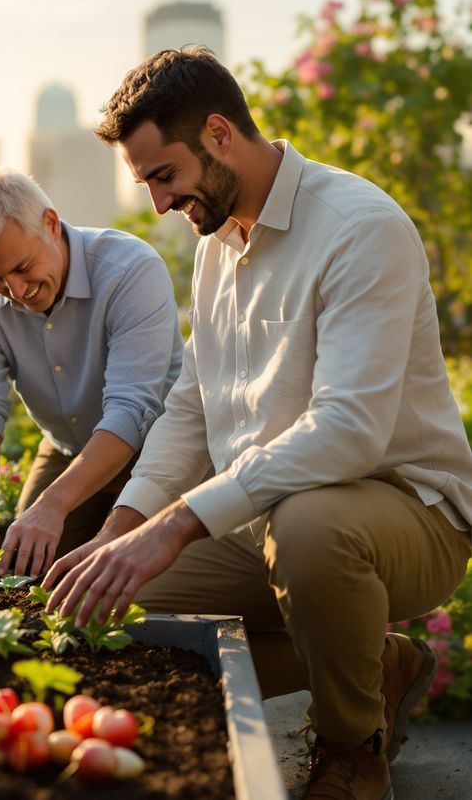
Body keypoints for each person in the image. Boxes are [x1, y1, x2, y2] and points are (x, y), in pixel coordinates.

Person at [43, 47, 472, 799]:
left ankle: (353, 748)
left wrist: (177, 523)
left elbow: (348, 431)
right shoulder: (217, 249)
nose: (158, 205)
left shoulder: (358, 227)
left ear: (218, 134)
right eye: (146, 183)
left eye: (162, 176)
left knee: (312, 528)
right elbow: (192, 404)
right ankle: (374, 662)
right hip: (267, 515)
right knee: (119, 600)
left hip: (407, 512)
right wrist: (123, 529)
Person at [0, 163, 182, 578]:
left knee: (121, 578)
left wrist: (52, 506)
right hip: (67, 446)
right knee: (21, 570)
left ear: (50, 224)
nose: (16, 292)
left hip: (158, 451)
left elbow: (131, 410)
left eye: (22, 267)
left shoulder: (131, 271)